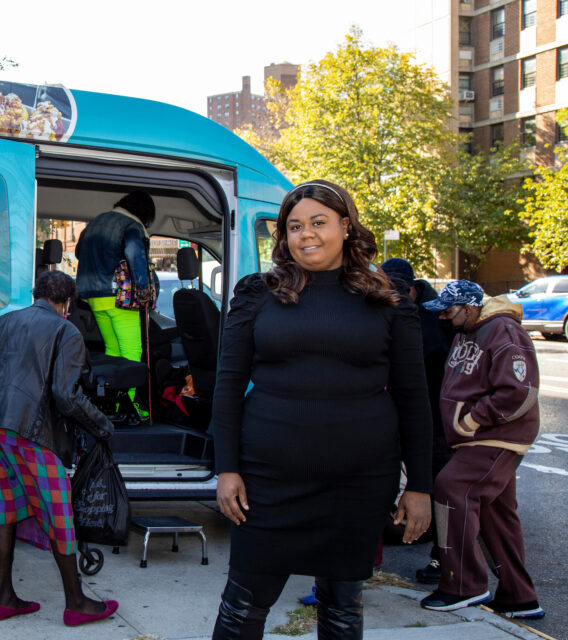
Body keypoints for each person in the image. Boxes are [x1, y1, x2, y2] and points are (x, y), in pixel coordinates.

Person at [211, 180, 433, 640]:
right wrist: (226, 468)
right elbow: (228, 386)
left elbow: (414, 397)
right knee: (243, 604)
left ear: (346, 227)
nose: (305, 234)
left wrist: (422, 487)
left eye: (318, 222)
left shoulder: (387, 299)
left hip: (358, 483)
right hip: (266, 482)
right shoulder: (258, 293)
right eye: (294, 226)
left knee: (342, 606)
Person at [0, 270, 119, 627]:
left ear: (36, 294)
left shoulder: (7, 321)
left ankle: (4, 599)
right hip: (30, 433)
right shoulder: (66, 330)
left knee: (5, 510)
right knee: (58, 516)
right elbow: (65, 395)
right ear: (67, 304)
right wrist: (102, 427)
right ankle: (76, 603)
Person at [419, 281, 545, 619]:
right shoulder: (468, 330)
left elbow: (520, 390)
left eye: (449, 310)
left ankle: (462, 586)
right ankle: (520, 598)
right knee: (496, 513)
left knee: (451, 486)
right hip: (476, 437)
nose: (443, 318)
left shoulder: (503, 330)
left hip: (495, 436)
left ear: (470, 307)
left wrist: (472, 420)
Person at [380, 258, 455, 584]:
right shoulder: (394, 312)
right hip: (397, 410)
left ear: (410, 289)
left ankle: (445, 561)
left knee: (441, 487)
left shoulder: (432, 319)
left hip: (435, 416)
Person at [74, 191, 157, 420]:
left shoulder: (94, 223)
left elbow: (79, 252)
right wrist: (144, 292)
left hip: (94, 297)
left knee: (112, 352)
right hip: (120, 297)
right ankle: (130, 404)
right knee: (131, 353)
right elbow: (134, 256)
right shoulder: (131, 226)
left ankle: (112, 402)